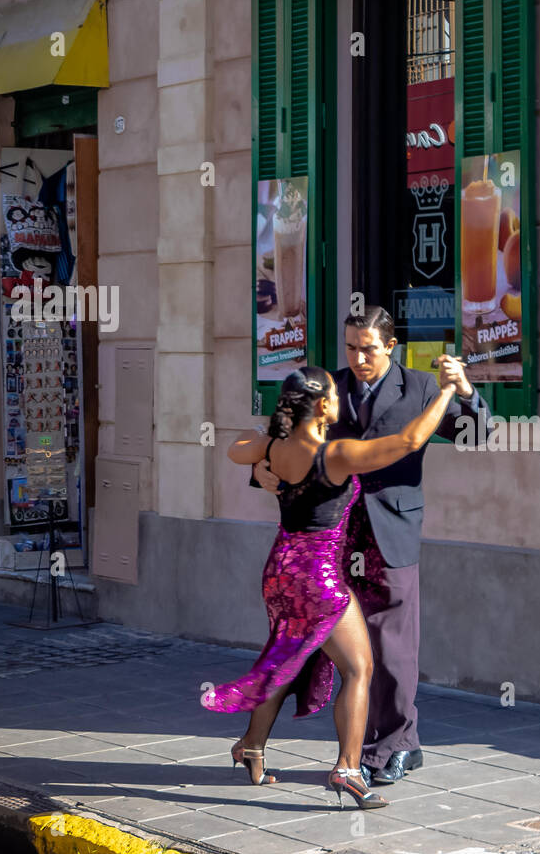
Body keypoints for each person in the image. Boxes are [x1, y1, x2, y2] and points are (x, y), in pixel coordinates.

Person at [206, 365, 458, 811]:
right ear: (323, 405)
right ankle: (347, 768)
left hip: (280, 570)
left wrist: (264, 459)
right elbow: (408, 442)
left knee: (285, 657)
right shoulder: (335, 454)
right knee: (360, 668)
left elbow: (233, 448)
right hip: (317, 578)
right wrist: (446, 392)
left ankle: (251, 746)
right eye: (333, 396)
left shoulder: (276, 445)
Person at [254, 307, 487, 786]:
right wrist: (259, 472)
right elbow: (280, 441)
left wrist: (463, 390)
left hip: (391, 533)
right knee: (316, 644)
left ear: (391, 346)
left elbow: (478, 433)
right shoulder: (329, 389)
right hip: (331, 537)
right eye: (351, 348)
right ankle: (275, 747)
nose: (359, 358)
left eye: (369, 349)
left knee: (392, 646)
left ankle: (399, 743)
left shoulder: (421, 387)